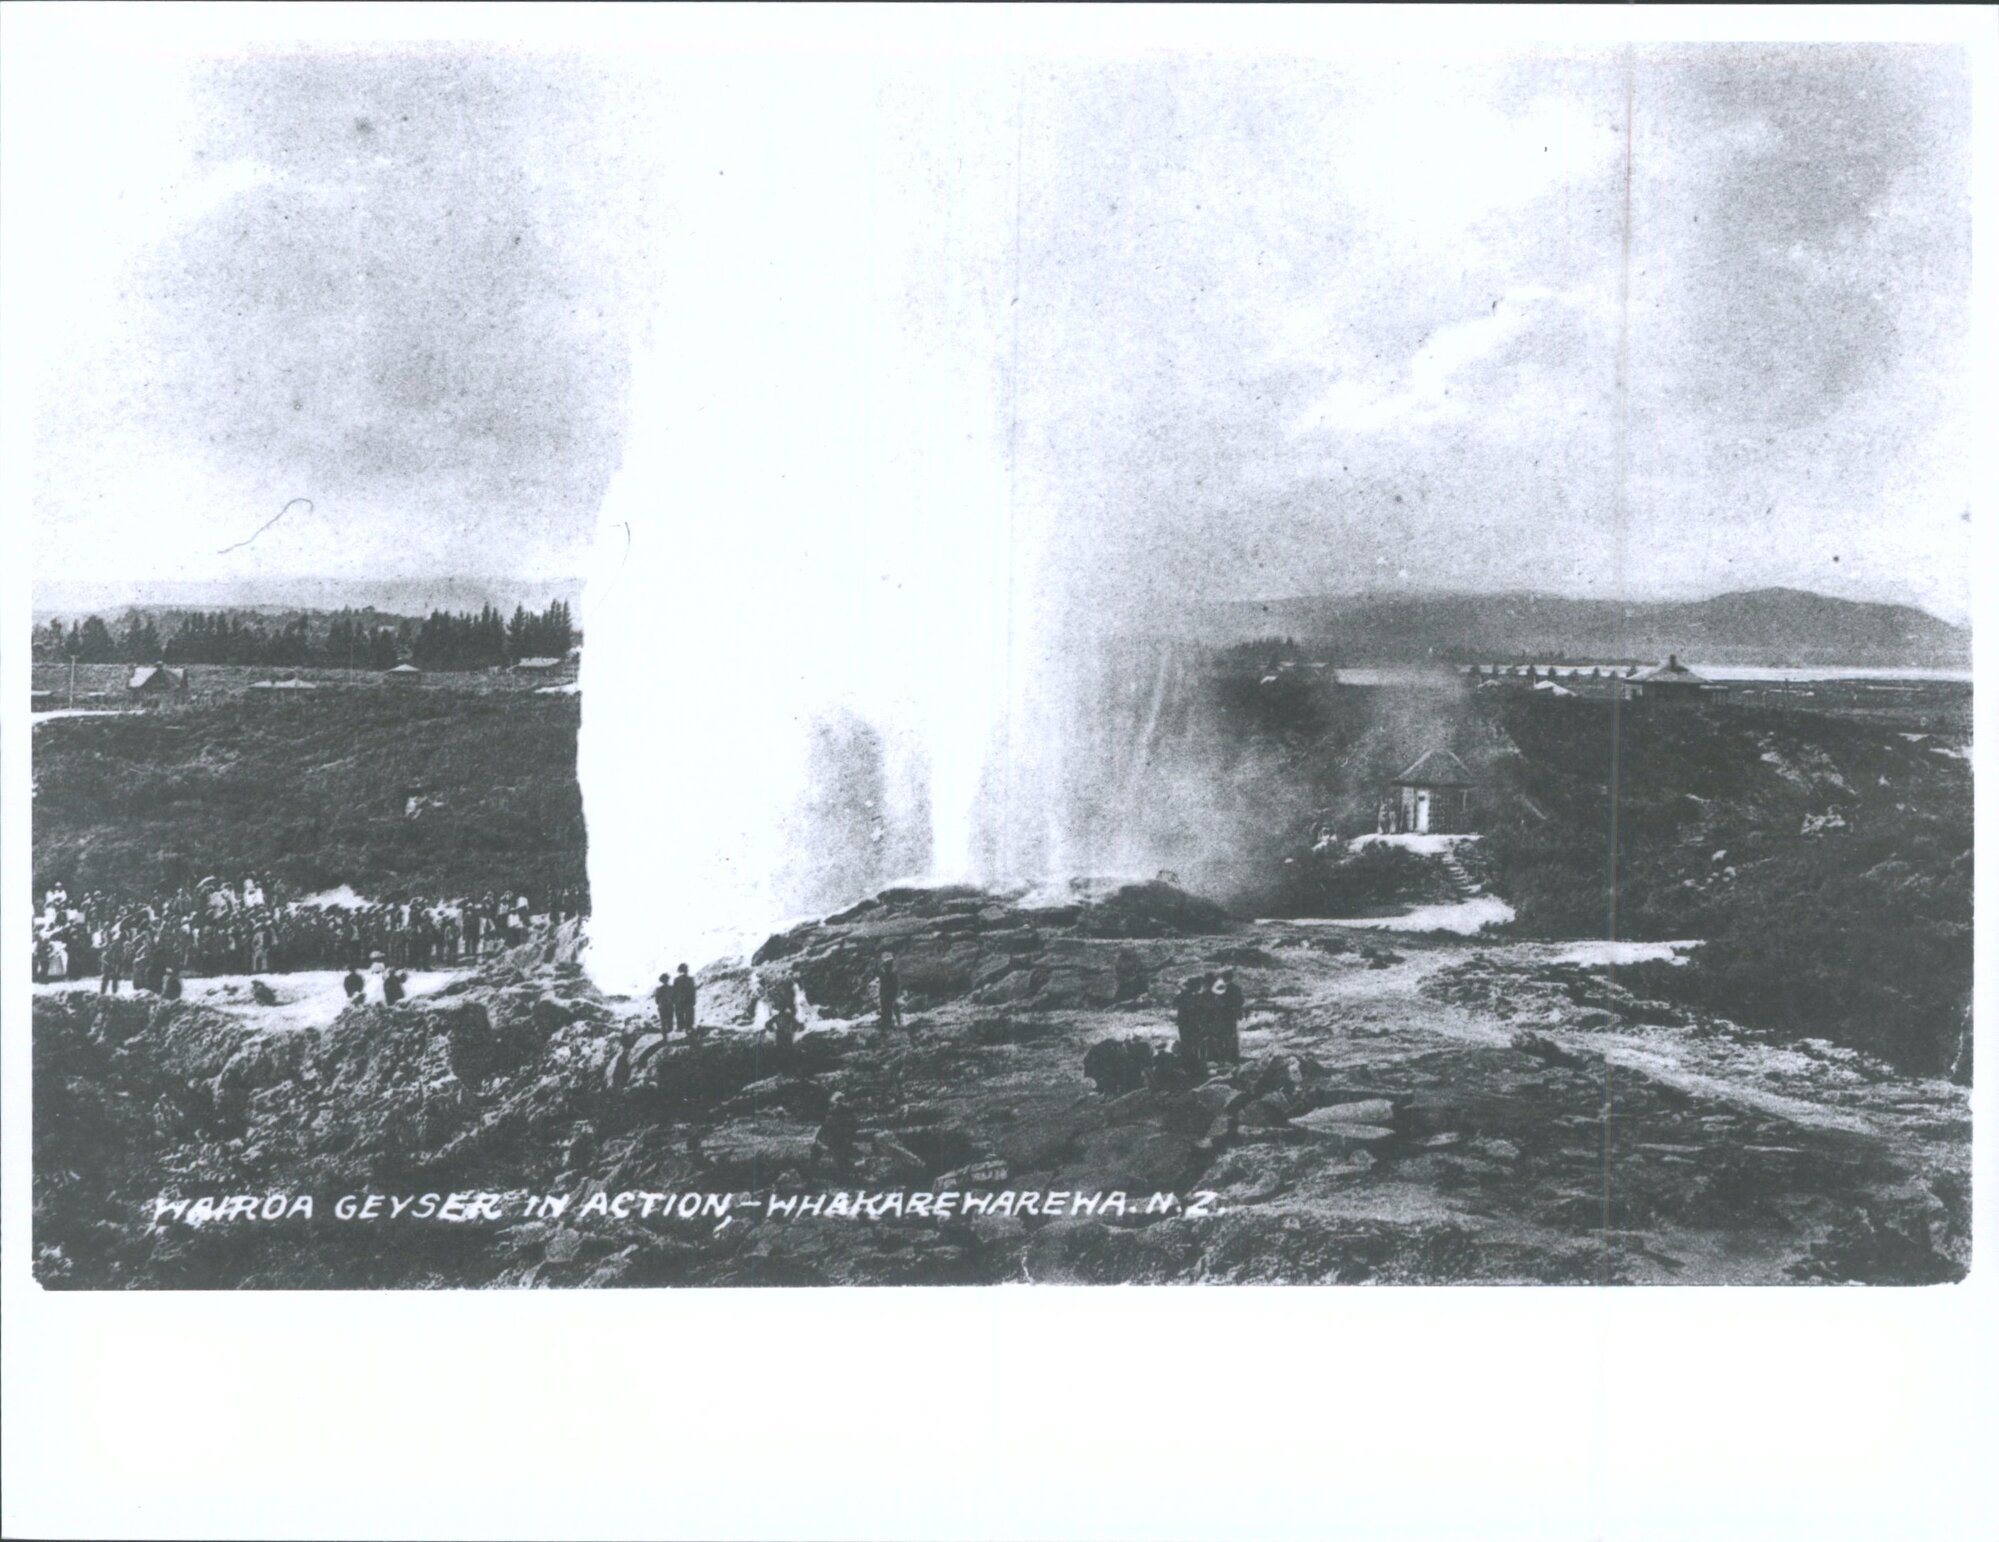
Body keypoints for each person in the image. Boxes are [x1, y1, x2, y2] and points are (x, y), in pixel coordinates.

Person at [1215, 970, 1245, 1062]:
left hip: (1223, 1016)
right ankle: (1234, 1056)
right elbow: (1241, 1001)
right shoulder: (1237, 988)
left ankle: (1225, 1057)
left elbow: (1218, 1003)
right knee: (1233, 1035)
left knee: (1222, 1036)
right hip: (1233, 1016)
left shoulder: (1221, 989)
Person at [670, 964, 698, 1039]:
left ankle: (681, 1028)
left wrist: (674, 1000)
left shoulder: (676, 980)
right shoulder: (690, 979)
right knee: (689, 1015)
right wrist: (694, 1000)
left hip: (679, 1001)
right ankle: (688, 1027)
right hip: (688, 1000)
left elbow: (674, 991)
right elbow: (693, 990)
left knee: (680, 1015)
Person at [877, 953, 903, 1031]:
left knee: (895, 1006)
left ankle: (898, 1023)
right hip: (885, 993)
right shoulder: (883, 972)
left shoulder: (894, 972)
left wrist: (896, 995)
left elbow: (897, 985)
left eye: (889, 962)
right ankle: (887, 1024)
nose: (887, 964)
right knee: (885, 1009)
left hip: (892, 993)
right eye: (886, 963)